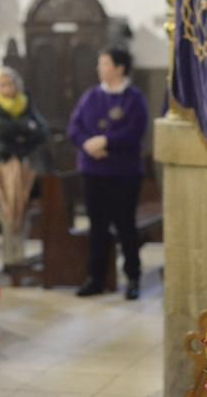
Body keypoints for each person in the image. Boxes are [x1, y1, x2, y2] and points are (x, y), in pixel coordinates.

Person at [67, 46, 149, 301]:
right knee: (97, 226)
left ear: (119, 68)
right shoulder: (91, 96)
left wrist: (106, 141)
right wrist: (87, 144)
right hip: (93, 172)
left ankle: (133, 277)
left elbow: (135, 130)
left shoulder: (133, 98)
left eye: (104, 64)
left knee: (126, 226)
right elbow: (74, 127)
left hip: (123, 173)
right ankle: (95, 278)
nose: (99, 68)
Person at [0, 66, 50, 272]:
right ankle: (10, 260)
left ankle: (19, 257)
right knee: (8, 213)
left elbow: (42, 131)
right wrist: (25, 130)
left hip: (24, 167)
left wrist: (21, 134)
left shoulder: (25, 102)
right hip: (0, 167)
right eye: (2, 84)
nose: (7, 88)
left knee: (23, 212)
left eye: (10, 84)